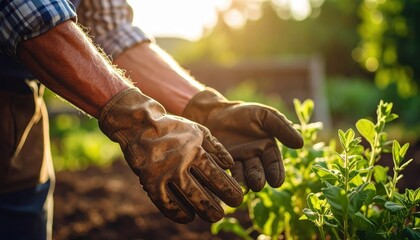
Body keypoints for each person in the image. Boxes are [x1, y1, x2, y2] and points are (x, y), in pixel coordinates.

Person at [0, 0, 303, 239]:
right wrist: (142, 123)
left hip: (17, 111)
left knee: (20, 216)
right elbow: (25, 11)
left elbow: (110, 31)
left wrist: (205, 109)